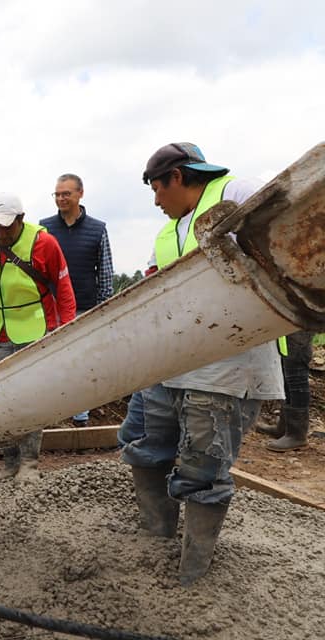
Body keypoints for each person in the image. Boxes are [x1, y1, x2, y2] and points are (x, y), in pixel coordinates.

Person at [122, 142, 284, 586]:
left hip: (224, 367)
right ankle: (154, 543)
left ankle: (192, 574)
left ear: (177, 176)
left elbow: (288, 226)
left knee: (203, 469)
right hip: (168, 363)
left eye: (157, 188)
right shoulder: (166, 232)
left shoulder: (238, 192)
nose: (155, 201)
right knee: (142, 442)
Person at [0, 192, 76, 483]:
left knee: (30, 398)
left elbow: (63, 289)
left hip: (35, 328)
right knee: (1, 400)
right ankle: (10, 463)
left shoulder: (44, 244)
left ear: (21, 220)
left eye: (6, 227)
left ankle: (29, 463)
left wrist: (68, 331)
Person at [39, 173, 114, 427]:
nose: (61, 198)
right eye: (57, 194)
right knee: (52, 362)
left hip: (85, 306)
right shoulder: (44, 228)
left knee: (82, 364)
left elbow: (104, 271)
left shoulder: (97, 229)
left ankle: (80, 417)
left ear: (80, 194)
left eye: (66, 194)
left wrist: (104, 307)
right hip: (52, 307)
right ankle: (52, 415)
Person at [257, 330, 314, 451]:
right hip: (293, 322)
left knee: (296, 374)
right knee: (286, 370)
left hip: (301, 320)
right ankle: (285, 427)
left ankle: (297, 434)